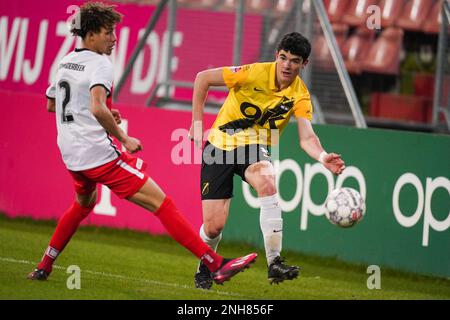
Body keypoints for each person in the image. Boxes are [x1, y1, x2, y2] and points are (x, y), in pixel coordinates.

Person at [27, 2, 257, 284]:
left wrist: (99, 111)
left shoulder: (65, 61)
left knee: (83, 205)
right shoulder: (100, 64)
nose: (114, 39)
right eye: (108, 33)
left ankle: (44, 265)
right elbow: (97, 107)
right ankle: (215, 263)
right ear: (91, 35)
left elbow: (53, 105)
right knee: (163, 203)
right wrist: (123, 137)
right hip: (98, 156)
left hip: (71, 156)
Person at [189, 32, 346, 289]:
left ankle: (274, 263)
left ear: (303, 64)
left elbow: (307, 137)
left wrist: (321, 156)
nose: (287, 65)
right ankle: (205, 267)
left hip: (254, 146)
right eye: (283, 58)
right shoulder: (251, 72)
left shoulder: (300, 95)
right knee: (213, 227)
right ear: (277, 56)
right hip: (219, 145)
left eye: (295, 61)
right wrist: (196, 123)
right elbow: (202, 79)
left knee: (267, 182)